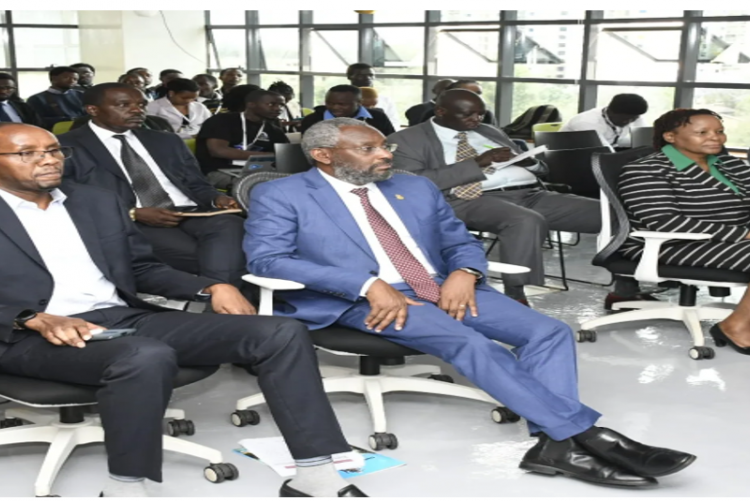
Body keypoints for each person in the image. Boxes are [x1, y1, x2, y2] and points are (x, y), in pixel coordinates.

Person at [244, 117, 696, 489]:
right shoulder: (282, 194)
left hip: (441, 286)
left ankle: (555, 445)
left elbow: (459, 241)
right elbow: (269, 259)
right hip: (362, 300)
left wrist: (466, 273)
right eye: (368, 150)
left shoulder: (413, 187)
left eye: (384, 146)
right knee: (471, 344)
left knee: (549, 331)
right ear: (324, 156)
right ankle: (584, 436)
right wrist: (364, 284)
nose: (386, 155)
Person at [0, 122, 369, 498]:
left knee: (279, 331)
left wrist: (211, 286)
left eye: (53, 150)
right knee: (144, 355)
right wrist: (30, 317)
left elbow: (141, 268)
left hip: (122, 320)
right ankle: (125, 488)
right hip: (25, 335)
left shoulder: (93, 200)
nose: (48, 160)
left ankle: (314, 474)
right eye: (27, 153)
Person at [387, 89, 601, 304]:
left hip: (530, 194)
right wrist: (477, 163)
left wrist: (529, 162)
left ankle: (625, 282)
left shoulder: (488, 130)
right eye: (468, 115)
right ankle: (516, 292)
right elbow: (412, 182)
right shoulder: (407, 139)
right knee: (524, 220)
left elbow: (541, 169)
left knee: (611, 212)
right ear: (441, 111)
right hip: (469, 199)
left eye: (481, 114)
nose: (476, 119)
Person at [58, 83, 251, 299]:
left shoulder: (165, 140)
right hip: (132, 219)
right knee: (222, 255)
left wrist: (216, 198)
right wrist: (132, 212)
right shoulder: (64, 146)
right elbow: (69, 195)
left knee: (232, 224)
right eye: (124, 105)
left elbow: (196, 184)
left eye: (141, 104)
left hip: (192, 211)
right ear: (92, 110)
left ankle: (220, 301)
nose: (136, 110)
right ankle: (225, 299)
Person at [620, 108, 750, 355]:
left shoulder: (730, 164)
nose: (716, 138)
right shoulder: (647, 169)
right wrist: (743, 235)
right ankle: (735, 327)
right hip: (670, 243)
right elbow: (664, 222)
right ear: (670, 137)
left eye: (719, 131)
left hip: (724, 241)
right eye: (702, 132)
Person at [196, 89, 289, 188]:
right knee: (257, 185)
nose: (277, 109)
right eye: (271, 104)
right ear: (251, 104)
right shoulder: (222, 121)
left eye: (281, 105)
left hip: (256, 171)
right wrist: (269, 155)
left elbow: (283, 154)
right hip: (218, 171)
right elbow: (218, 151)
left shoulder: (273, 129)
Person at [300, 85, 395, 137]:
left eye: (342, 104)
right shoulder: (312, 120)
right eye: (329, 103)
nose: (335, 107)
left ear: (359, 103)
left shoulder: (377, 117)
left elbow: (391, 141)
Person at [561, 94, 648, 148]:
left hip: (606, 149)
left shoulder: (634, 117)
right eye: (623, 119)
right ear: (610, 111)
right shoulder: (587, 122)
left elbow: (645, 142)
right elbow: (603, 150)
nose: (628, 122)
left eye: (633, 118)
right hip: (568, 158)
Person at [146, 78, 211, 139]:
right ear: (171, 93)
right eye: (184, 98)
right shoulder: (154, 106)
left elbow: (210, 125)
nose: (189, 101)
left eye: (193, 98)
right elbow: (152, 131)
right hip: (169, 142)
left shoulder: (199, 107)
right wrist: (190, 136)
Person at [347, 63, 401, 130]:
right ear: (349, 76)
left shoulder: (385, 100)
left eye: (371, 75)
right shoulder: (340, 99)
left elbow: (394, 122)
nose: (368, 78)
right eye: (361, 75)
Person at [420, 80, 497, 126]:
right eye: (468, 93)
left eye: (478, 93)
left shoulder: (487, 116)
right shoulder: (432, 114)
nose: (475, 96)